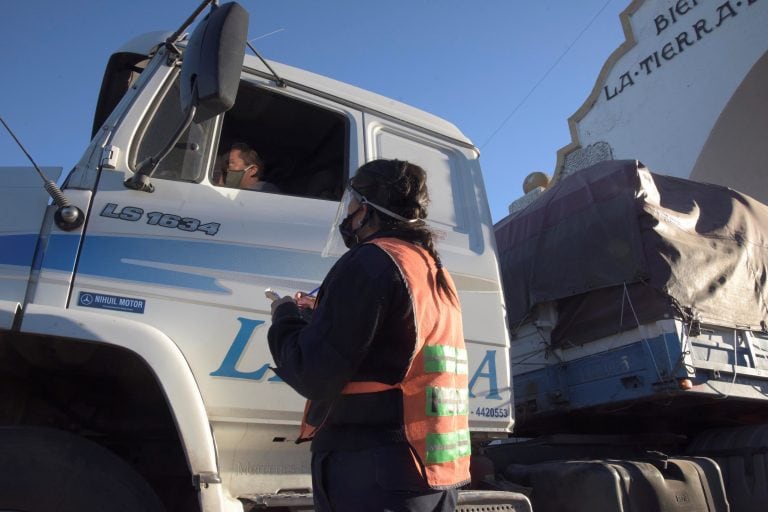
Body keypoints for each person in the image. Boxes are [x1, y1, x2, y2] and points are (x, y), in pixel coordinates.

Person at [267, 159, 470, 512]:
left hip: (372, 473)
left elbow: (312, 372)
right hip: (430, 472)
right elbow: (394, 349)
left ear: (366, 209)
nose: (348, 217)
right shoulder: (430, 268)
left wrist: (285, 317)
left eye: (351, 206)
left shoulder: (370, 261)